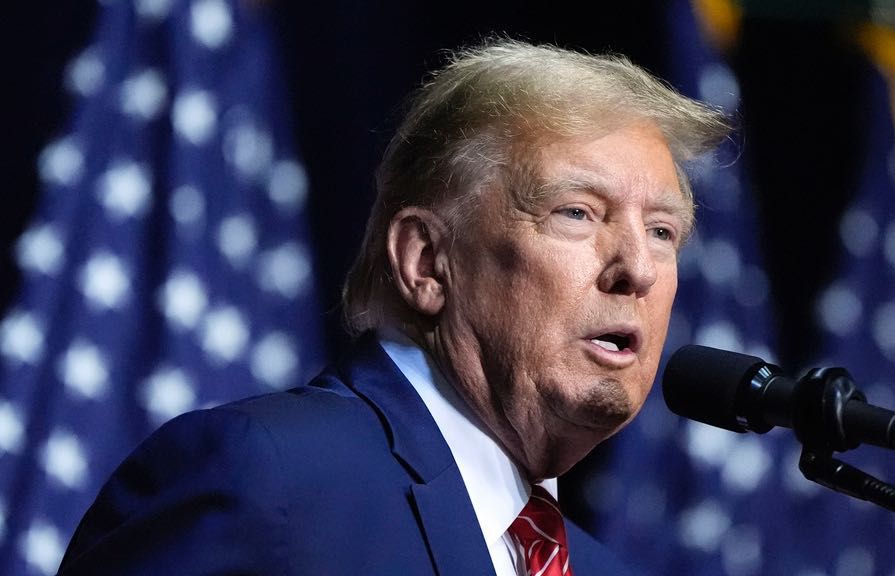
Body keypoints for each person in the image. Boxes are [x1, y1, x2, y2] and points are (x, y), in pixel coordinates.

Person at [56, 37, 731, 575]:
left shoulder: (600, 569)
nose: (637, 269)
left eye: (663, 232)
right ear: (425, 261)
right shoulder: (267, 481)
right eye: (578, 213)